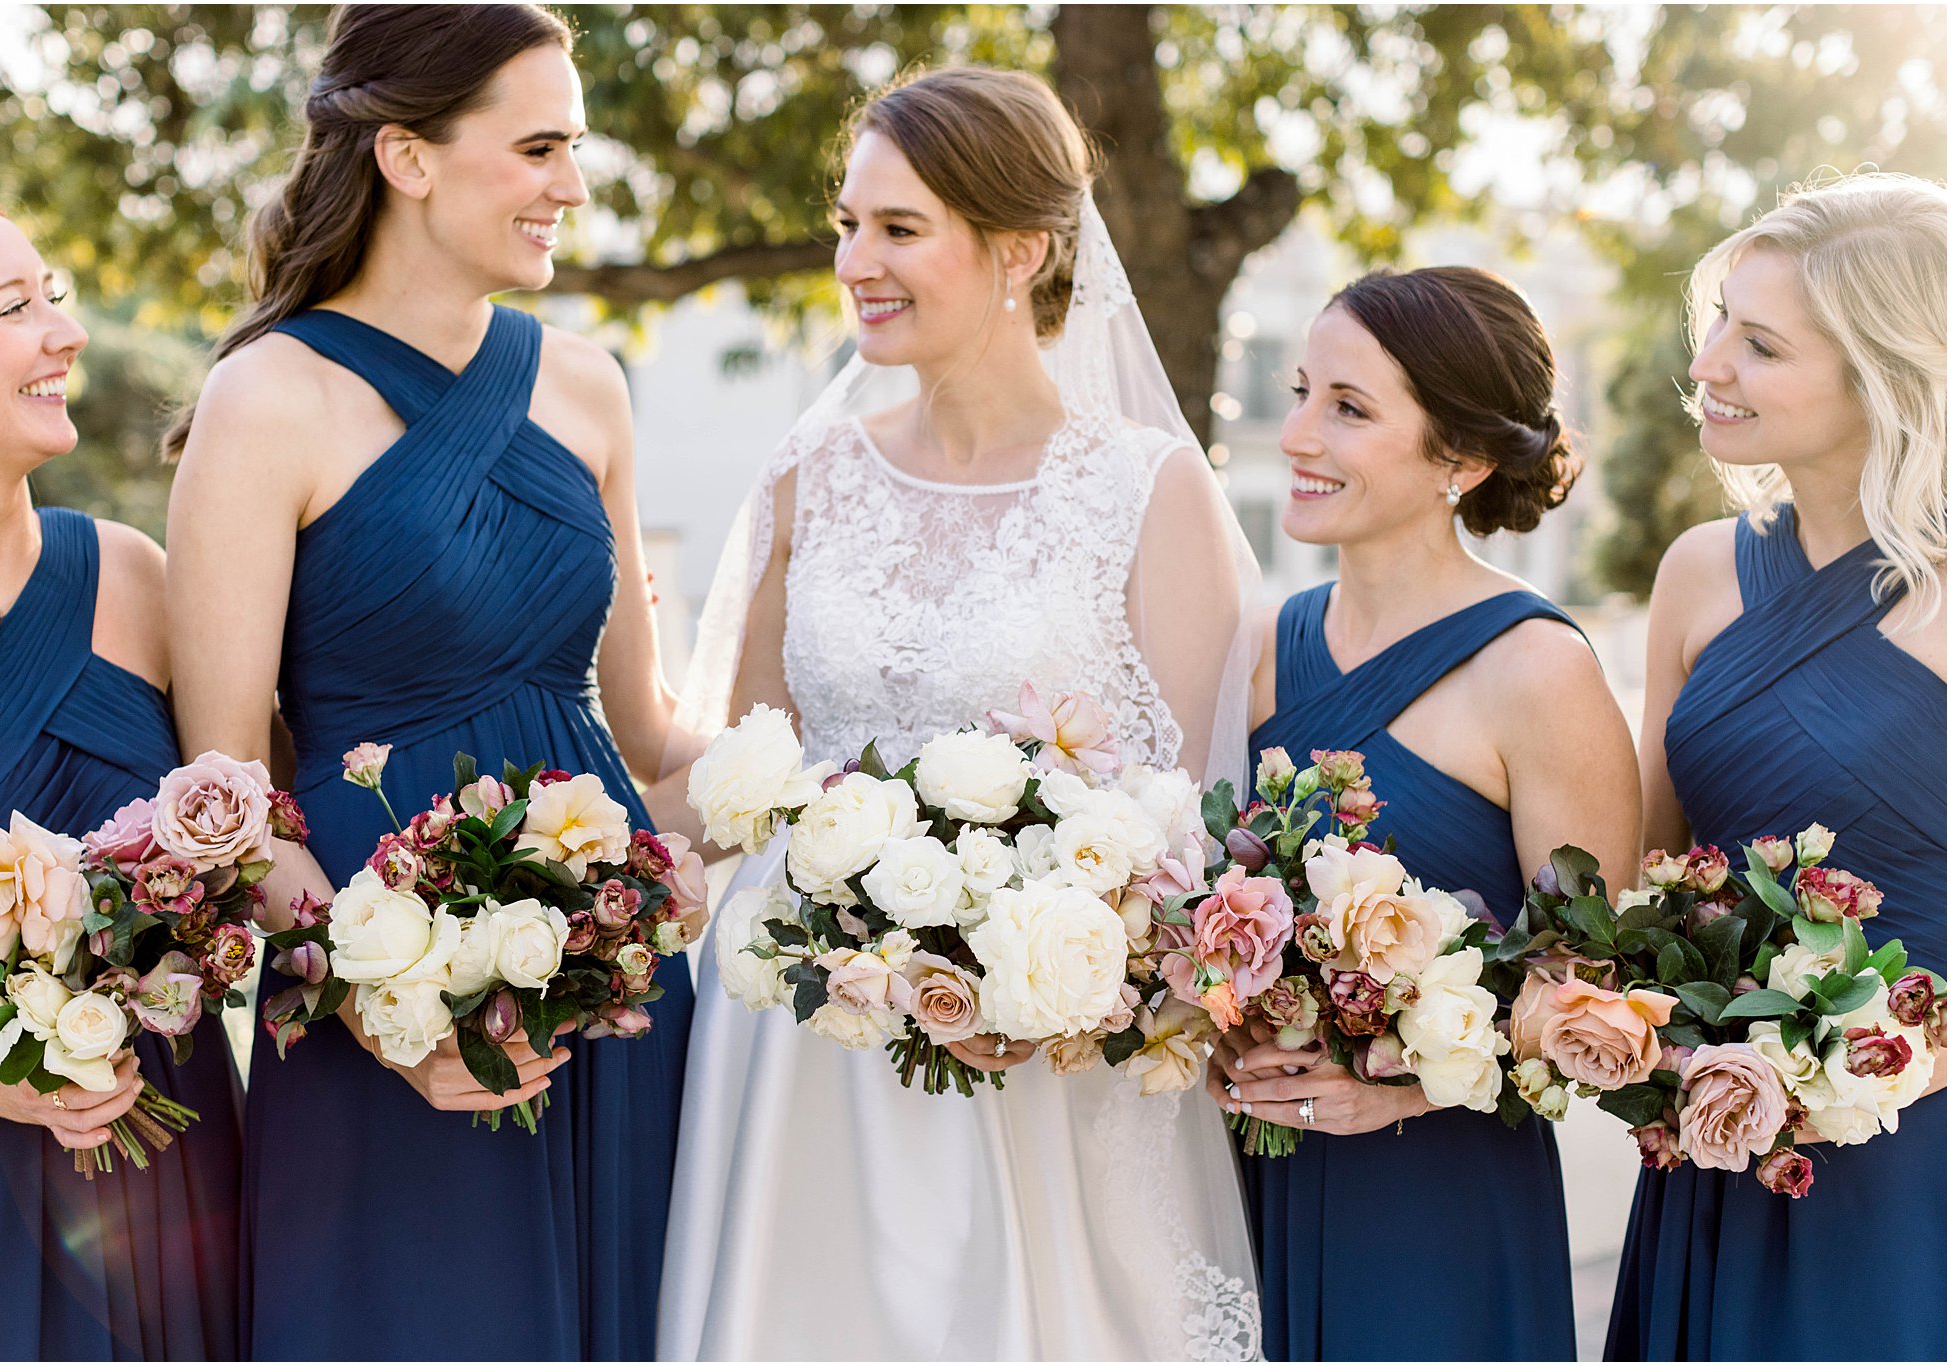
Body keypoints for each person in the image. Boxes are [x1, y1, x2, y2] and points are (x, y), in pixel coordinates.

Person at [651, 66, 1263, 1361]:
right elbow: (741, 773)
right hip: (807, 1045)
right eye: (848, 224)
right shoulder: (810, 474)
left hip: (1043, 1055)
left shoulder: (1148, 491)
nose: (854, 260)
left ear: (1018, 251)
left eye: (897, 228)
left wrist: (1062, 949)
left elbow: (1213, 820)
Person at [164, 6, 690, 1357]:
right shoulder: (266, 399)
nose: (572, 186)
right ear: (407, 157)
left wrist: (851, 816)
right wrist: (383, 1007)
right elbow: (220, 793)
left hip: (609, 991)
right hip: (375, 1007)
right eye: (537, 148)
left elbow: (650, 735)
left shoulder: (589, 388)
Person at [1211, 265, 1640, 1360]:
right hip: (1246, 1169)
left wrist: (1400, 1094)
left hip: (1437, 1191)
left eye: (1347, 409)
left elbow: (1590, 981)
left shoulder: (1537, 671)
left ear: (1458, 456)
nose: (1295, 432)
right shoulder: (1263, 644)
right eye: (1301, 390)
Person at [1606, 172, 1946, 1361]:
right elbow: (1639, 870)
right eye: (1715, 328)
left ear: (1882, 378)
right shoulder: (1698, 572)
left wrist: (1884, 1052)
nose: (1706, 367)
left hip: (1915, 1149)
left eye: (1756, 345)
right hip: (1716, 1127)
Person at [0, 169, 241, 1360]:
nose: (67, 330)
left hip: (172, 1183)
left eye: (55, 292)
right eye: (13, 307)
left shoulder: (136, 578)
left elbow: (264, 825)